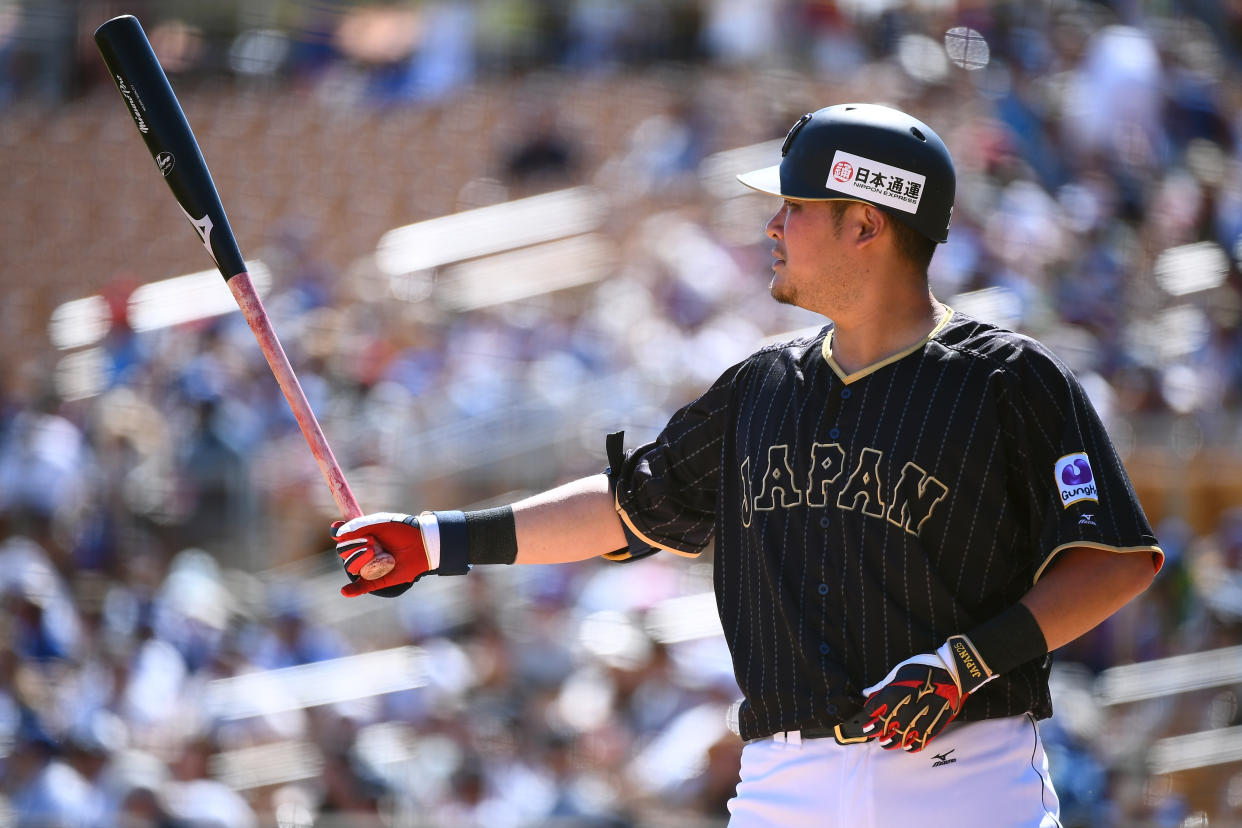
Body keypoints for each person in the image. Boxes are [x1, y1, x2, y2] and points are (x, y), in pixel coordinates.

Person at [330, 103, 1163, 827]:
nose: (771, 226)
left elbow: (1114, 561)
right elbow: (630, 509)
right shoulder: (760, 386)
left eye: (794, 206)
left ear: (866, 224)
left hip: (961, 773)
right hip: (781, 782)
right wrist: (438, 541)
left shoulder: (1008, 380)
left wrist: (965, 665)